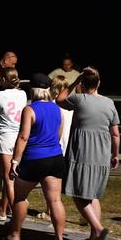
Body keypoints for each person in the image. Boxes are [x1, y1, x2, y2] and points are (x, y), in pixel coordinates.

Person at [56, 66, 120, 240]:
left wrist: (75, 82)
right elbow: (115, 133)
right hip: (101, 155)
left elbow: (59, 98)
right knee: (91, 195)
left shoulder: (79, 98)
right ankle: (93, 236)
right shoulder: (109, 103)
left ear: (83, 85)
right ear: (99, 84)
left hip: (82, 153)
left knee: (77, 192)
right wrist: (115, 154)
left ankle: (99, 229)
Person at [7, 73, 67, 240]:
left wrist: (15, 160)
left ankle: (16, 234)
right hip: (55, 158)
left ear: (32, 89)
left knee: (20, 197)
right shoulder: (58, 110)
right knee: (55, 199)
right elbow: (58, 135)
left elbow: (23, 137)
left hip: (34, 159)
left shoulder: (30, 109)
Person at [0, 67, 27, 221]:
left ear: (4, 79)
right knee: (12, 176)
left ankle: (16, 216)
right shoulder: (23, 94)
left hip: (5, 137)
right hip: (20, 136)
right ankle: (3, 210)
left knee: (8, 177)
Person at [37, 74, 73, 221]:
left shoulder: (52, 105)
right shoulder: (71, 106)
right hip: (69, 148)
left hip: (55, 148)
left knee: (49, 183)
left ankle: (49, 210)